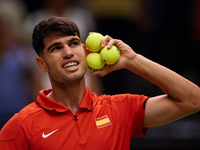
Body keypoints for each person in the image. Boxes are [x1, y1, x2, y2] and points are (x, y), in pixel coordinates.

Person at [0, 16, 200, 149]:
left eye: (73, 43)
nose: (68, 52)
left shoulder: (119, 110)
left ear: (85, 51)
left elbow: (193, 99)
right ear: (41, 64)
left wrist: (133, 61)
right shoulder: (21, 126)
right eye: (55, 48)